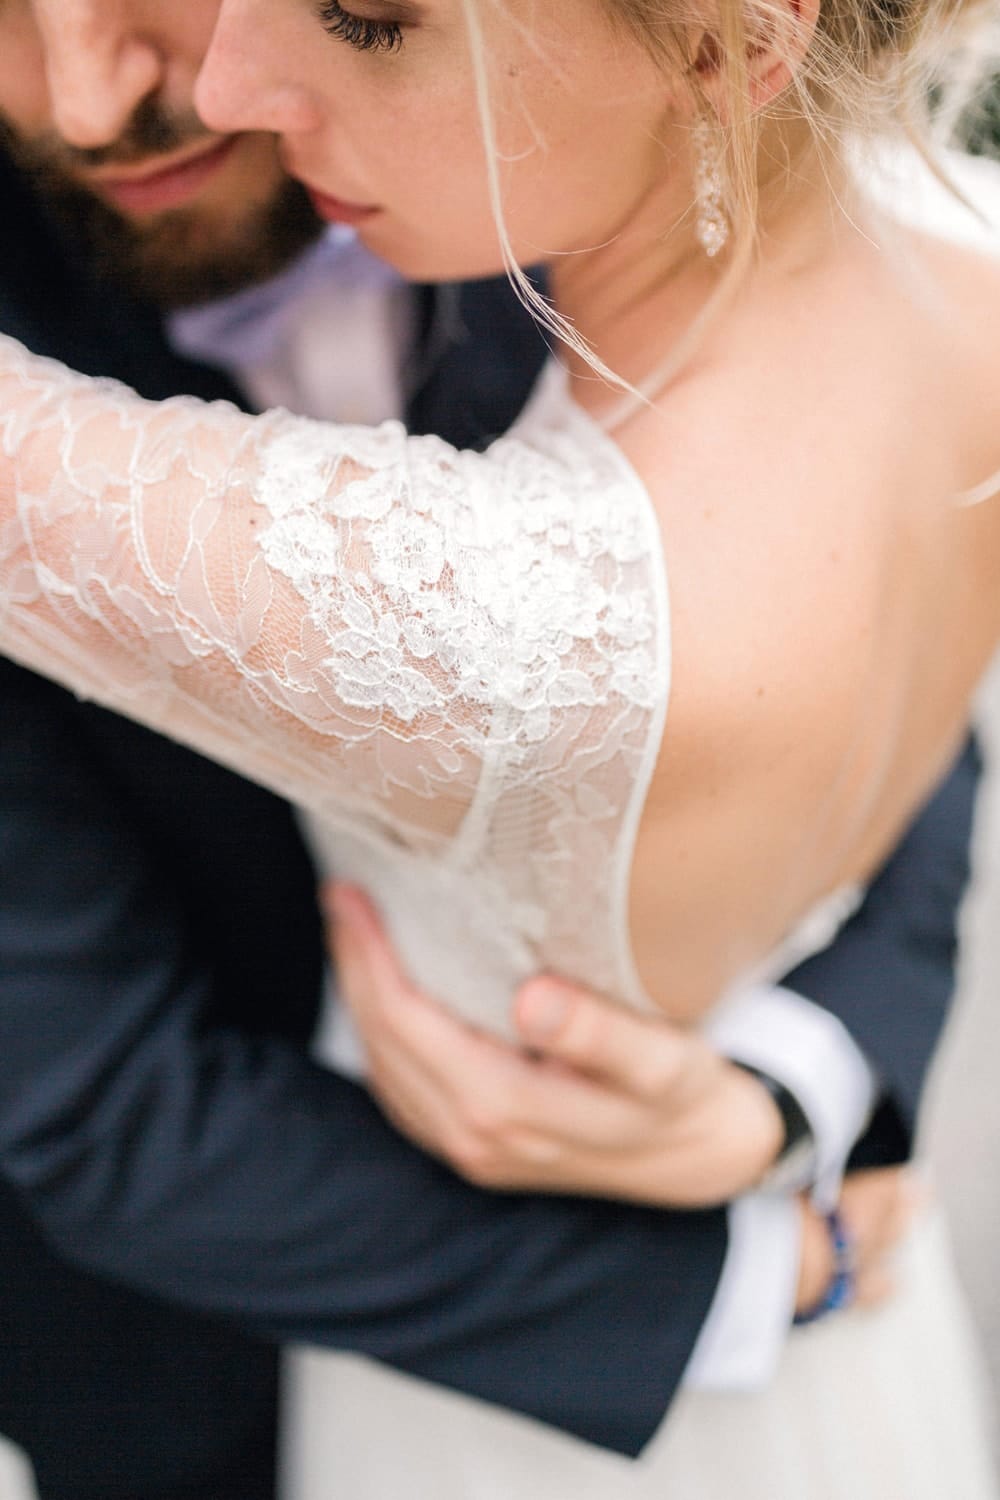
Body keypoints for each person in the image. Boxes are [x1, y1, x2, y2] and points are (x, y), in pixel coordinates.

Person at [0, 0, 998, 1497]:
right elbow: (91, 1094)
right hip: (259, 1363)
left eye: (358, 14)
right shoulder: (926, 231)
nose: (91, 103)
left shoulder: (585, 111)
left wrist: (790, 1092)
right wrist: (729, 1268)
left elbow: (884, 671)